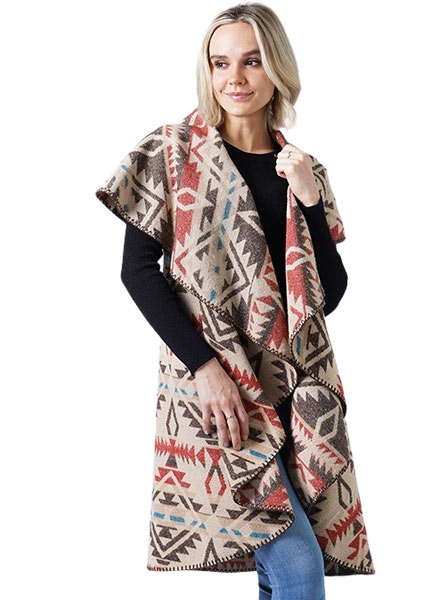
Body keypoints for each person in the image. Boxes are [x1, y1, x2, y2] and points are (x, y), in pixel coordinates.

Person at [96, 1, 375, 593]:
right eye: (220, 62)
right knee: (296, 563)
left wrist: (308, 200)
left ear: (277, 69)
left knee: (288, 560)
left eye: (252, 61)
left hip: (292, 388)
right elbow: (137, 271)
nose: (235, 78)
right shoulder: (172, 151)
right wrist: (205, 367)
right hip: (217, 390)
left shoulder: (304, 170)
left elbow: (329, 295)